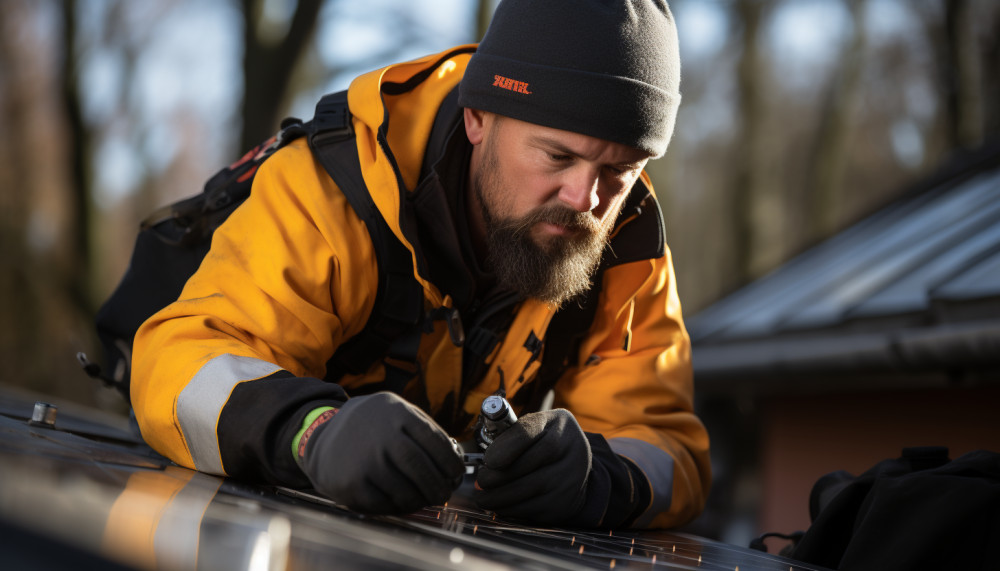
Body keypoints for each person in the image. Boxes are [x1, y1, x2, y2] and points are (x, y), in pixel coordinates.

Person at [131, 0, 711, 529]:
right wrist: (314, 434)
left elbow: (667, 445)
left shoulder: (628, 244)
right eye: (558, 155)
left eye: (620, 170)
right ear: (478, 117)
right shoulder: (337, 187)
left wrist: (600, 478)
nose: (585, 200)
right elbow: (182, 363)